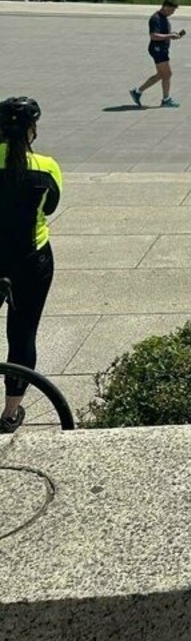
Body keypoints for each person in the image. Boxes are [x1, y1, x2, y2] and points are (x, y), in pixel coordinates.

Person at [0, 97, 60, 434]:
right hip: (31, 259)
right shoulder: (46, 167)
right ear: (32, 130)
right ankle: (10, 414)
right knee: (22, 334)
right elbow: (49, 207)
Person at [130, 0, 186, 108]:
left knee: (162, 74)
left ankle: (137, 92)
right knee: (167, 74)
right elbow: (153, 35)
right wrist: (170, 36)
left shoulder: (163, 18)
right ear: (165, 7)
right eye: (172, 10)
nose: (172, 13)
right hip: (157, 49)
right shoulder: (156, 18)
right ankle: (166, 99)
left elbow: (162, 33)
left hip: (161, 49)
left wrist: (172, 34)